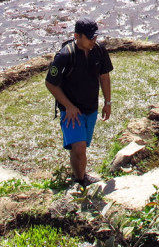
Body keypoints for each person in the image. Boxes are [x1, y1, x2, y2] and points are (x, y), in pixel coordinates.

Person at [45, 17, 113, 186]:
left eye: (95, 37)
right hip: (71, 111)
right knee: (79, 147)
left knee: (82, 146)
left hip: (91, 108)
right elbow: (50, 83)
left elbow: (104, 77)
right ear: (77, 36)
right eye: (90, 37)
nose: (93, 40)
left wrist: (108, 102)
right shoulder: (65, 56)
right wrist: (68, 107)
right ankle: (80, 180)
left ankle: (79, 173)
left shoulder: (99, 51)